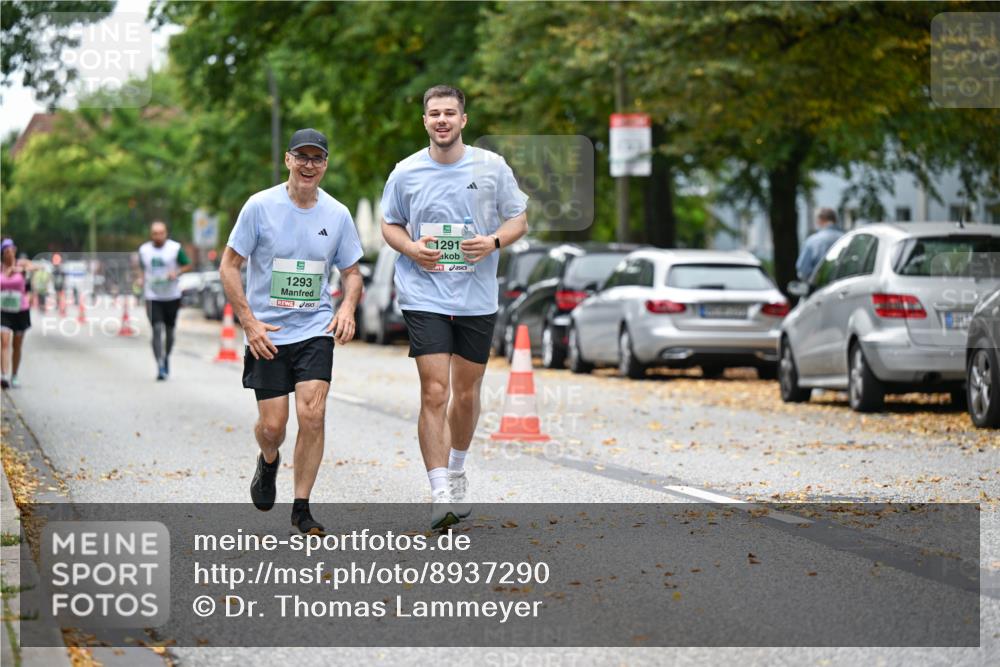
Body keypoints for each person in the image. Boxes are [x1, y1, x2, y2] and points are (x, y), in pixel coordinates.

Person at [380, 85, 529, 529]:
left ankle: (458, 468)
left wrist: (493, 241)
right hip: (423, 293)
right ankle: (439, 488)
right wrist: (409, 248)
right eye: (433, 114)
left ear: (464, 120)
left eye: (449, 113)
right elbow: (389, 223)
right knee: (434, 391)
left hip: (476, 297)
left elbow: (518, 218)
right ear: (424, 121)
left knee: (465, 394)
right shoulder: (405, 172)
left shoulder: (492, 167)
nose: (441, 120)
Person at [221, 128, 363, 536]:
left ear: (325, 165)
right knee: (273, 427)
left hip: (315, 329)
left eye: (316, 158)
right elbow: (229, 265)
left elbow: (351, 272)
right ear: (288, 160)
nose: (308, 165)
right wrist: (247, 321)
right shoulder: (259, 207)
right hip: (267, 331)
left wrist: (348, 308)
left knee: (312, 414)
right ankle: (268, 462)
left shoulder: (337, 215)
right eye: (301, 156)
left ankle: (302, 507)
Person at [137, 221, 193, 380]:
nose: (158, 236)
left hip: (172, 296)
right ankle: (160, 365)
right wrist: (140, 279)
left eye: (161, 233)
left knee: (169, 332)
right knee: (156, 328)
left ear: (166, 233)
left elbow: (188, 265)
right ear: (151, 234)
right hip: (152, 296)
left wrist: (177, 272)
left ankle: (166, 356)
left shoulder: (174, 248)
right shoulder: (144, 250)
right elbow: (141, 268)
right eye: (155, 233)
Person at [1, 239, 34, 389]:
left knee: (17, 345)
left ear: (14, 250)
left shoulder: (21, 264)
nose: (9, 253)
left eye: (11, 250)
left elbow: (38, 267)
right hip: (3, 310)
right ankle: (3, 375)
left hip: (21, 310)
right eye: (6, 251)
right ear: (2, 253)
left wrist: (22, 270)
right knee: (5, 341)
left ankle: (14, 375)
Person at [796, 207, 843, 281]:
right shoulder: (847, 238)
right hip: (844, 285)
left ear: (821, 220)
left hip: (820, 287)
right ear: (835, 220)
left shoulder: (812, 241)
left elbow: (803, 270)